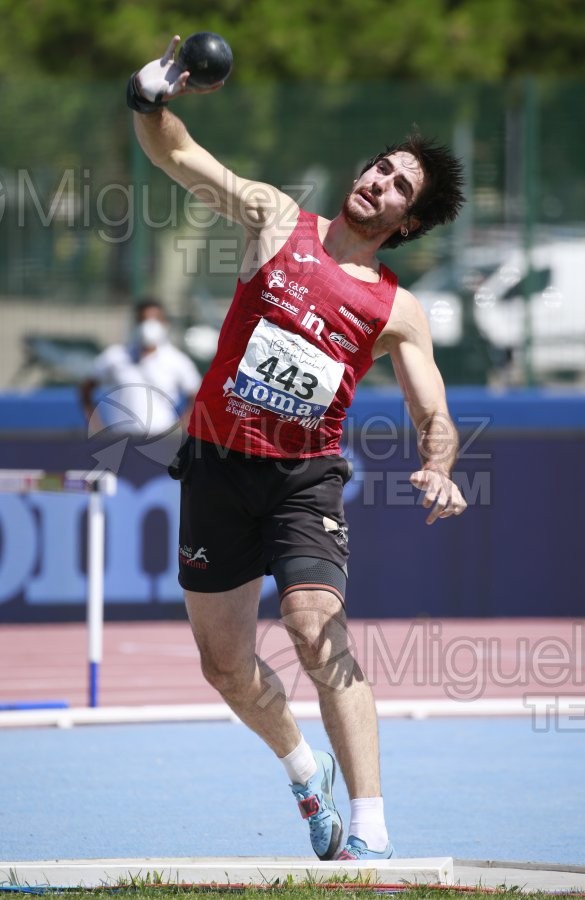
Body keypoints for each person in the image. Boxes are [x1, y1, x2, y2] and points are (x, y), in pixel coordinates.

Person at [127, 37, 468, 861]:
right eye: (377, 167)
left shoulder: (398, 310)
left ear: (406, 221)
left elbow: (436, 411)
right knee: (227, 669)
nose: (376, 181)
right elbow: (180, 155)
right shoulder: (278, 220)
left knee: (317, 633)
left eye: (397, 186)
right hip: (214, 464)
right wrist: (147, 98)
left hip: (303, 480)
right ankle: (301, 770)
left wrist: (438, 465)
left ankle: (373, 835)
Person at [80, 298, 201, 437]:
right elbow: (86, 388)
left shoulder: (177, 360)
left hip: (162, 441)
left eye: (155, 319)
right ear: (135, 323)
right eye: (143, 319)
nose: (149, 325)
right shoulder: (114, 356)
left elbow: (196, 397)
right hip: (120, 441)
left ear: (164, 323)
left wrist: (181, 429)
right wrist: (95, 425)